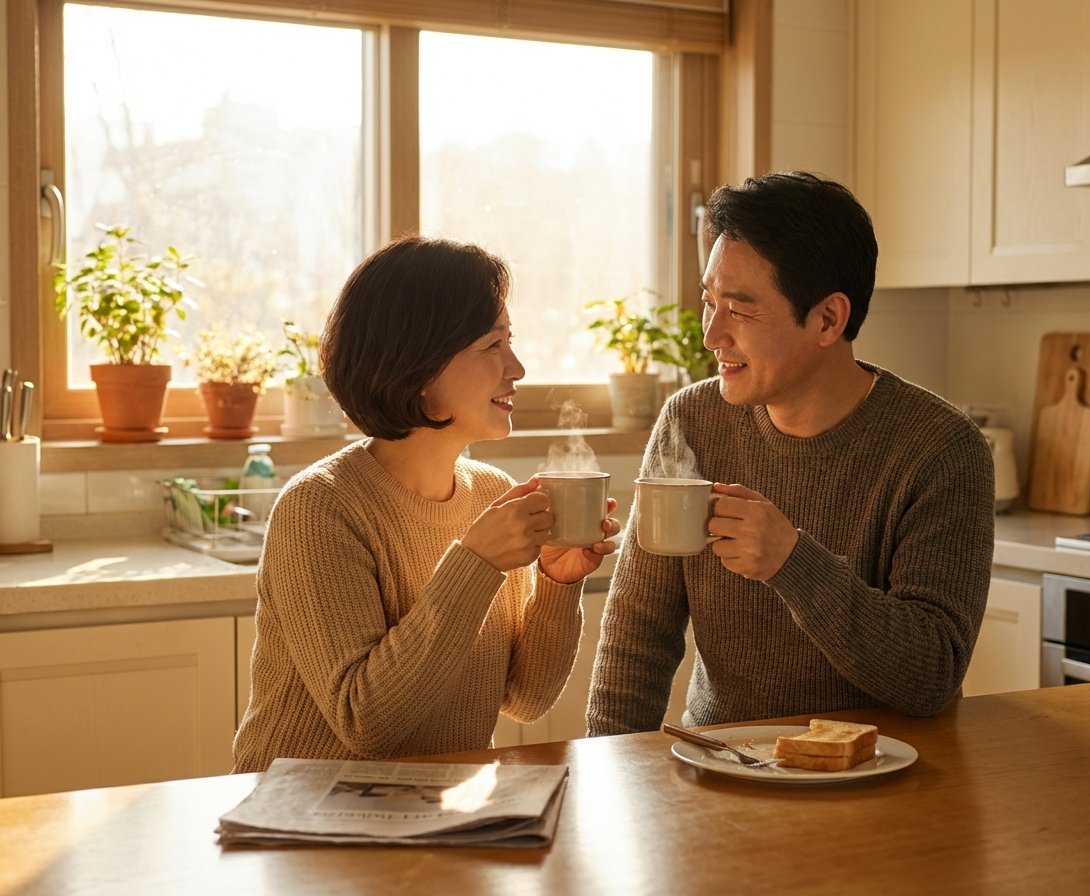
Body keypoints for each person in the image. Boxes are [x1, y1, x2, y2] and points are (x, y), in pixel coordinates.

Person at [585, 171, 994, 736]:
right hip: (721, 765)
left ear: (828, 319)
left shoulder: (940, 450)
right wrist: (608, 778)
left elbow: (930, 677)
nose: (711, 335)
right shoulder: (691, 422)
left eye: (740, 309)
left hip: (883, 781)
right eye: (709, 301)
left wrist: (792, 562)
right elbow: (637, 637)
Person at [233, 235, 619, 773]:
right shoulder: (320, 508)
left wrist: (558, 584)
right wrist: (474, 564)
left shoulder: (489, 494)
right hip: (302, 827)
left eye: (511, 341)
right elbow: (368, 725)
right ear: (418, 366)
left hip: (431, 816)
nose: (518, 367)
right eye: (493, 345)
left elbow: (526, 701)